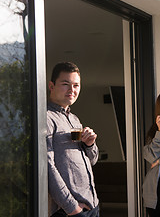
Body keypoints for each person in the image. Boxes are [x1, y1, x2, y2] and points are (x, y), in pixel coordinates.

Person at [46, 62, 99, 217]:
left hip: (92, 206)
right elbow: (48, 168)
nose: (72, 90)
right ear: (51, 86)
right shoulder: (46, 118)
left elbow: (93, 160)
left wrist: (90, 145)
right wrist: (72, 208)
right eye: (65, 84)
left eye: (76, 85)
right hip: (70, 212)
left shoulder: (75, 119)